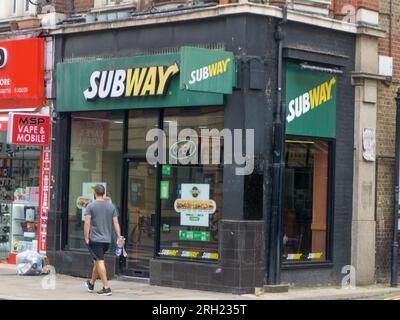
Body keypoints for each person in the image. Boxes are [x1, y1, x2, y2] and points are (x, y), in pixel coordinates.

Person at [84, 184, 123, 296]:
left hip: (96, 239)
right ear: (103, 193)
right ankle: (91, 283)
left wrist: (86, 237)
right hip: (107, 240)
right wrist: (119, 236)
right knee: (97, 261)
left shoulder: (91, 206)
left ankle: (106, 287)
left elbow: (87, 223)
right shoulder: (111, 206)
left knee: (99, 262)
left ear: (94, 194)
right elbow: (116, 222)